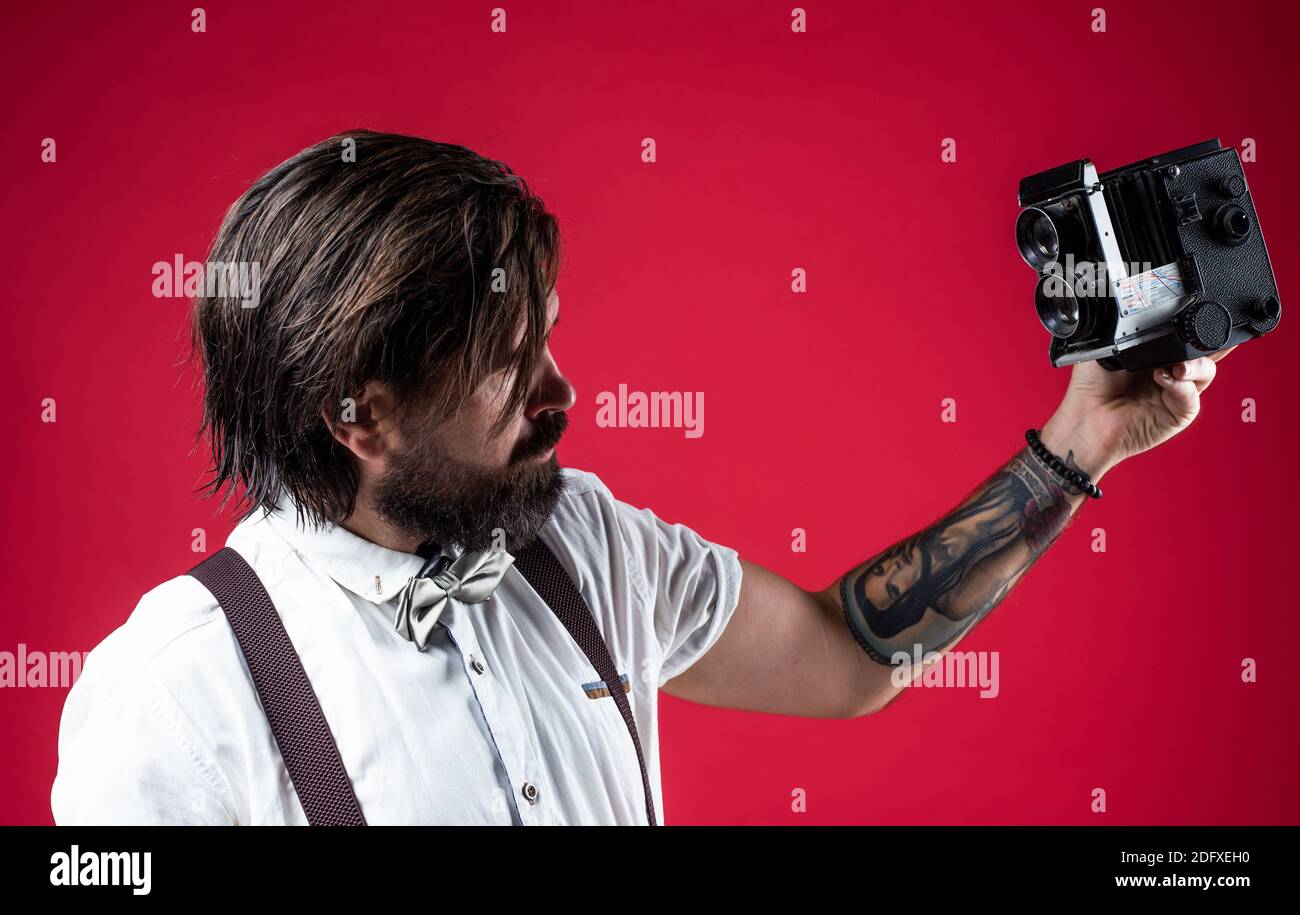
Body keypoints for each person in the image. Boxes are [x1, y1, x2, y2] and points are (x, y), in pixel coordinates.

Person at [50, 130, 1231, 825]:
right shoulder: (171, 699)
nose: (565, 397)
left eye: (549, 340)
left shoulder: (581, 539)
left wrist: (1079, 445)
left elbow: (845, 659)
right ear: (357, 415)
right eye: (508, 374)